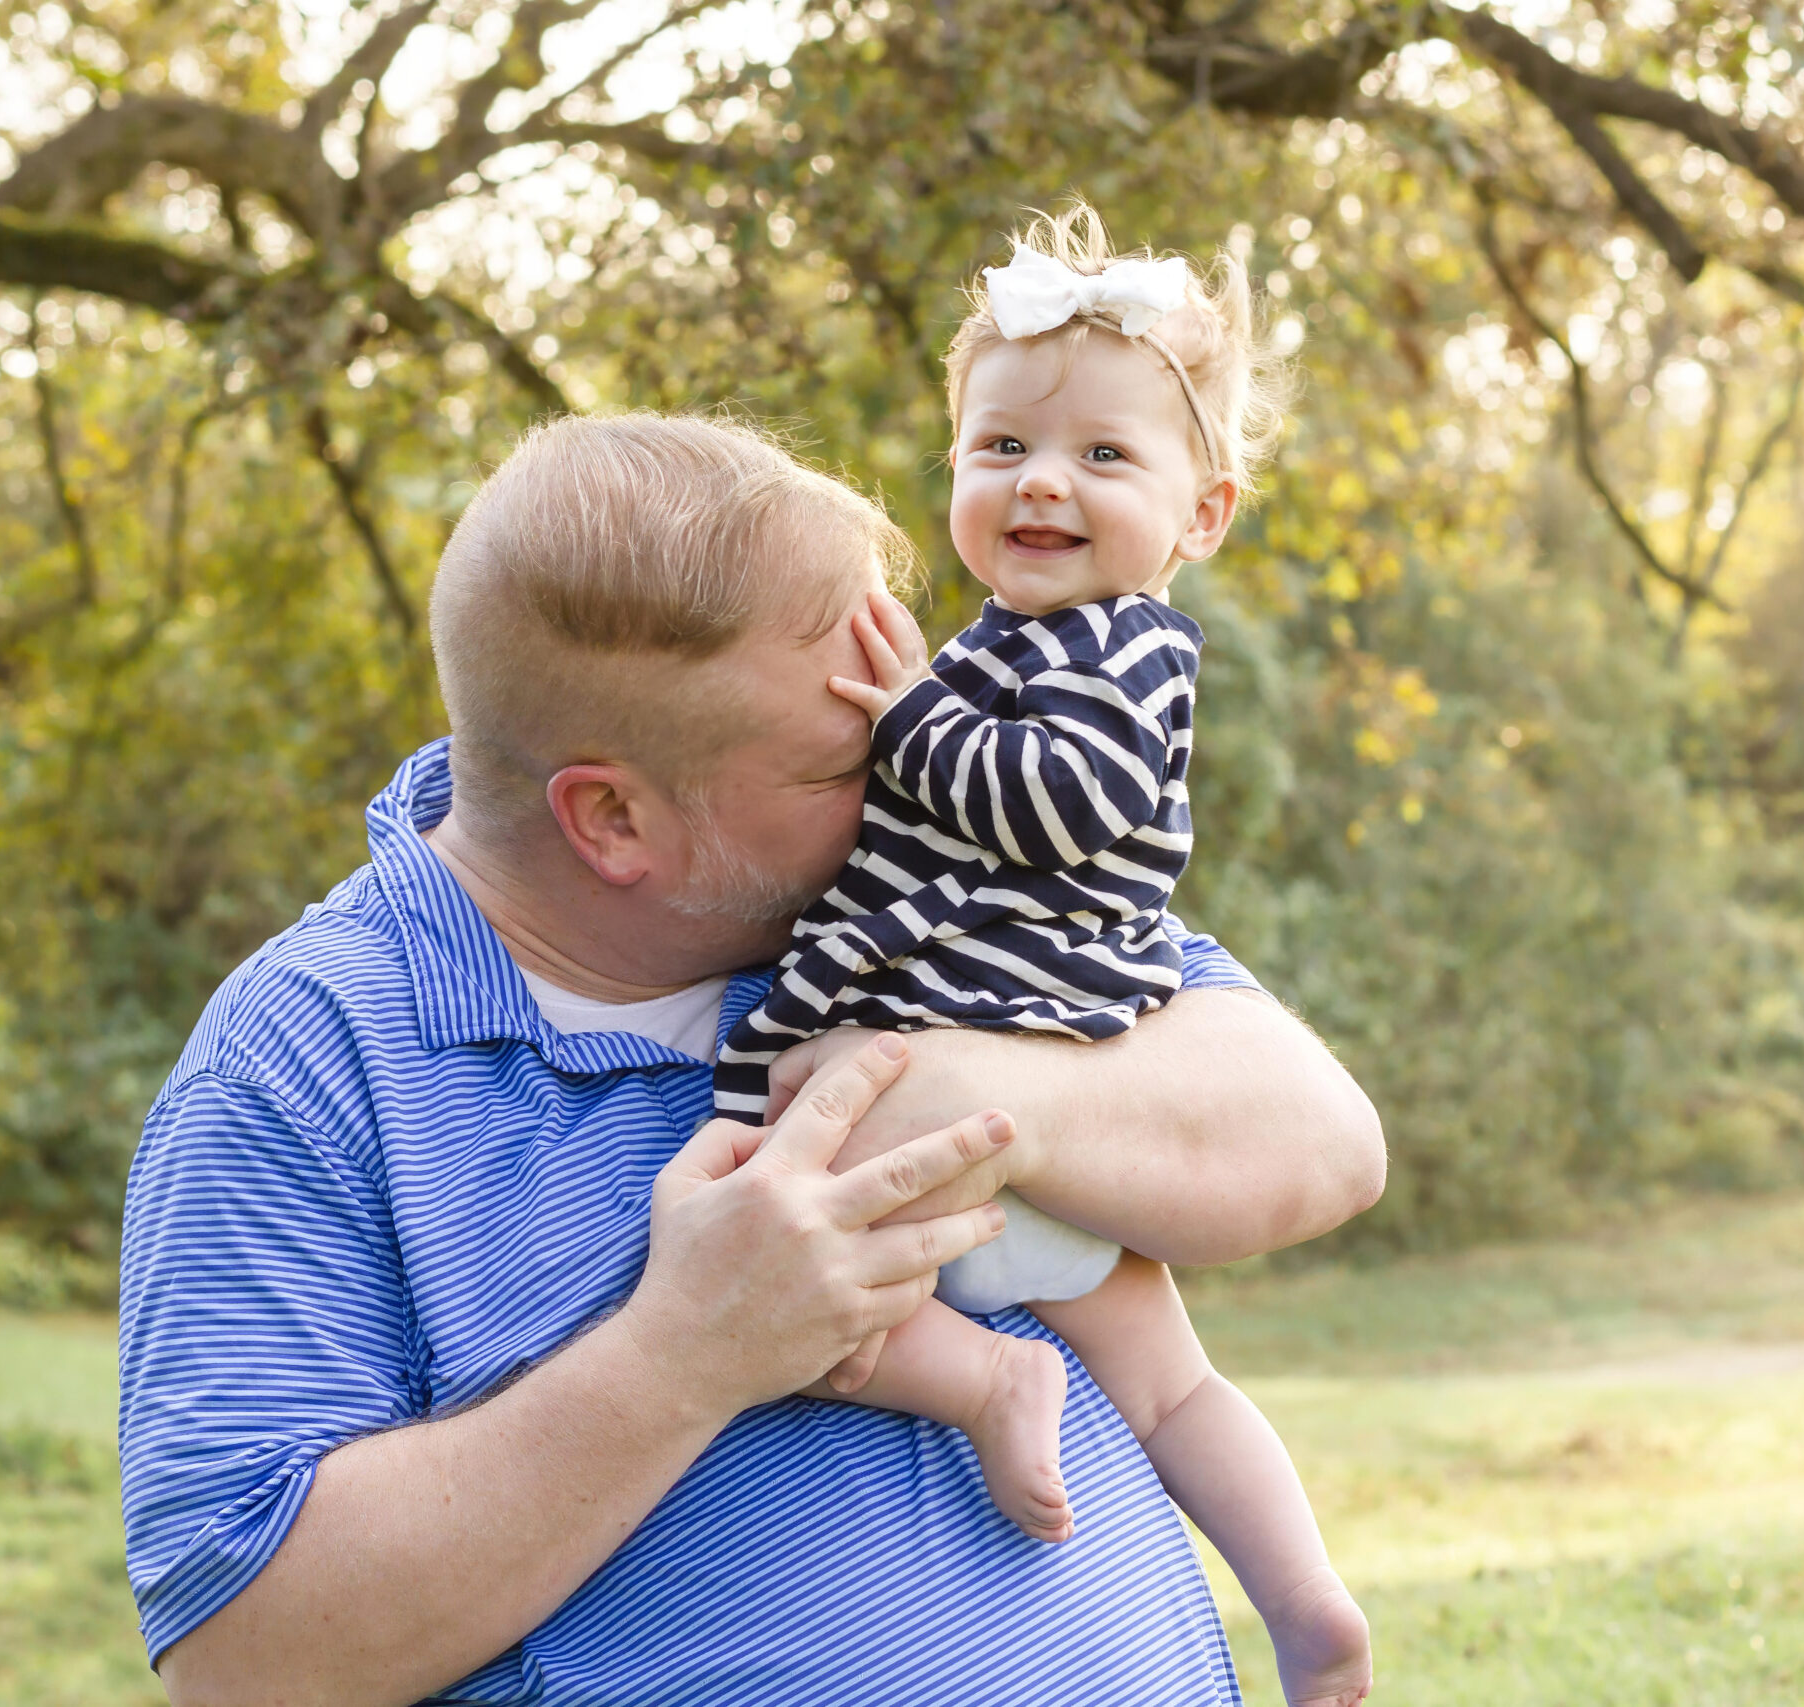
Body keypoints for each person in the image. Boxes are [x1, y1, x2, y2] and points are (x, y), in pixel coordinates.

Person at [119, 410, 1386, 1707]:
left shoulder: (932, 880)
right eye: (853, 757)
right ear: (613, 817)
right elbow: (247, 1659)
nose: (913, 775)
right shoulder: (306, 1066)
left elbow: (1324, 1141)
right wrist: (685, 1354)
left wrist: (998, 1103)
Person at [711, 206, 1370, 1707]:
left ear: (1202, 516)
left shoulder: (1129, 650)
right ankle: (1302, 1602)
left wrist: (904, 729)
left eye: (1103, 457)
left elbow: (1064, 802)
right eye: (1000, 448)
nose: (1042, 483)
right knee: (1169, 1381)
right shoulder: (995, 650)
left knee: (769, 1290)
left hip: (981, 1086)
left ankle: (1016, 1398)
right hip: (1012, 1119)